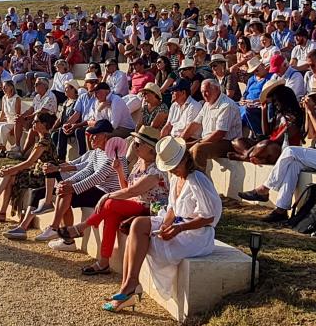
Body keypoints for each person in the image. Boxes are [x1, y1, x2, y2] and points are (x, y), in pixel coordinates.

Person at [102, 136, 221, 313]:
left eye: (174, 167)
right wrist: (166, 225)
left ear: (185, 159)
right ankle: (129, 283)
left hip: (197, 234)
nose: (172, 172)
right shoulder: (176, 178)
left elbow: (209, 218)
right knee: (138, 224)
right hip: (180, 225)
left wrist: (179, 228)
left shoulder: (198, 180)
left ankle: (128, 289)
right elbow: (172, 208)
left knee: (143, 232)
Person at [239, 79, 316, 222]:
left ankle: (265, 189)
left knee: (290, 151)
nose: (313, 100)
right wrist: (308, 112)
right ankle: (281, 209)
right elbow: (312, 134)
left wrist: (312, 112)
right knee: (293, 165)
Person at [59, 126, 169, 275]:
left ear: (150, 148)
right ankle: (103, 262)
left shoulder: (157, 170)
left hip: (151, 208)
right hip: (137, 203)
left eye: (137, 144)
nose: (134, 146)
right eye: (134, 143)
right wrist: (119, 171)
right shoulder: (139, 163)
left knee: (109, 203)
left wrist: (107, 195)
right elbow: (127, 187)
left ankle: (82, 227)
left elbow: (133, 191)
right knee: (111, 216)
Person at [35, 119, 128, 247]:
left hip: (109, 193)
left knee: (67, 191)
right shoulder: (98, 152)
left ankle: (58, 230)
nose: (91, 138)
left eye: (95, 135)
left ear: (105, 136)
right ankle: (65, 238)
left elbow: (98, 177)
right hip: (99, 189)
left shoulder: (113, 154)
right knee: (64, 189)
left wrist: (73, 187)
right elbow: (88, 170)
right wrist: (68, 182)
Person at [0, 111, 58, 228]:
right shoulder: (43, 139)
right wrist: (11, 170)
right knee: (10, 172)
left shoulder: (44, 141)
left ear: (44, 124)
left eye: (36, 121)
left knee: (10, 174)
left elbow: (29, 162)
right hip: (37, 171)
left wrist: (10, 170)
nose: (33, 123)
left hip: (42, 176)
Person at [230, 81, 303, 165]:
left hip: (281, 150)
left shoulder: (294, 120)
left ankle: (246, 156)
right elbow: (266, 133)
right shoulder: (278, 115)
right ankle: (252, 156)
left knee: (266, 145)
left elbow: (275, 140)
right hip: (267, 145)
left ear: (284, 100)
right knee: (237, 141)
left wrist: (252, 149)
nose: (275, 104)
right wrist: (264, 111)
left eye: (276, 101)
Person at [182, 79, 242, 171]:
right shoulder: (207, 104)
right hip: (209, 139)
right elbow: (195, 124)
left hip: (228, 143)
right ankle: (186, 180)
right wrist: (180, 140)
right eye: (202, 92)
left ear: (217, 89)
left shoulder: (226, 105)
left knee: (198, 149)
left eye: (207, 91)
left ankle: (200, 181)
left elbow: (219, 134)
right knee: (182, 147)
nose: (204, 94)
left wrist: (197, 143)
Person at [0, 79, 21, 156]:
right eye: (3, 87)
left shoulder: (17, 98)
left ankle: (3, 148)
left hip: (14, 122)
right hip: (7, 121)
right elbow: (3, 113)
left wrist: (14, 127)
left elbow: (17, 114)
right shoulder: (4, 98)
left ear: (11, 87)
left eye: (5, 87)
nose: (3, 89)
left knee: (3, 127)